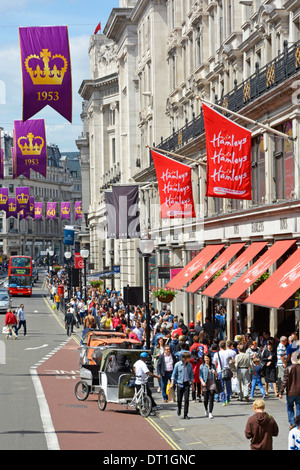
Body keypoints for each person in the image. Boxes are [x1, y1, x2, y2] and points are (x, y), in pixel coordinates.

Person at [279, 351, 300, 429]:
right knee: (299, 407)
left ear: (291, 359)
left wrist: (280, 391)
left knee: (289, 406)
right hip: (299, 392)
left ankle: (292, 422)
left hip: (290, 392)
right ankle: (298, 423)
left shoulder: (288, 368)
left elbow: (284, 381)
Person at [170, 351, 194, 419]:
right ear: (184, 358)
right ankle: (179, 409)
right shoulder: (177, 364)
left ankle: (185, 414)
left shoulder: (189, 365)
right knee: (179, 399)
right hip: (180, 384)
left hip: (187, 383)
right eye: (188, 358)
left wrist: (193, 385)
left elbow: (191, 375)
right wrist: (172, 383)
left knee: (186, 400)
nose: (189, 359)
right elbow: (173, 375)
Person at [213, 340, 236, 405]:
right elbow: (233, 361)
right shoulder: (228, 353)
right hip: (228, 370)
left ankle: (223, 400)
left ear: (219, 346)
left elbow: (215, 363)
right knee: (228, 385)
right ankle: (227, 398)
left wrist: (215, 372)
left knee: (221, 386)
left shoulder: (216, 354)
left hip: (220, 371)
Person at [199, 353, 218, 419]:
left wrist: (215, 372)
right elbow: (200, 376)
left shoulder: (213, 365)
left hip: (212, 382)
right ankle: (206, 409)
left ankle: (210, 412)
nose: (206, 359)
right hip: (205, 382)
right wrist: (202, 382)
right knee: (205, 399)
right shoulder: (202, 366)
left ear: (210, 358)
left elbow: (216, 375)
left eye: (207, 358)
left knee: (211, 397)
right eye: (205, 358)